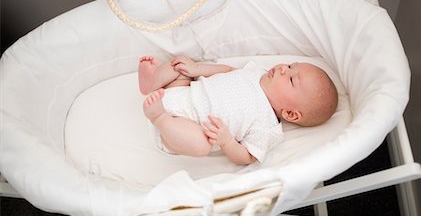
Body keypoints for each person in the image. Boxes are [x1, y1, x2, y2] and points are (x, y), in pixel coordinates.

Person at [138, 55, 338, 165]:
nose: (284, 69)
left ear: (291, 114)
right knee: (180, 62)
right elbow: (226, 71)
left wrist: (227, 141)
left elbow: (246, 157)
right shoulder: (257, 73)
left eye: (291, 79)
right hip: (182, 89)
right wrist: (197, 70)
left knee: (202, 146)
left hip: (181, 125)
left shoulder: (268, 127)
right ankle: (152, 81)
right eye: (290, 65)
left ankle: (158, 117)